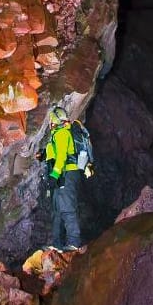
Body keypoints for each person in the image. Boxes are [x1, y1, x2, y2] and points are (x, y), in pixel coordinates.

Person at [38, 106, 88, 250]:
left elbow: (61, 157)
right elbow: (55, 154)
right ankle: (57, 244)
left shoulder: (62, 134)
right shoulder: (57, 136)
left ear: (53, 121)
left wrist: (54, 175)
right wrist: (44, 155)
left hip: (66, 174)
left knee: (67, 208)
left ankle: (74, 242)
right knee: (57, 211)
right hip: (61, 175)